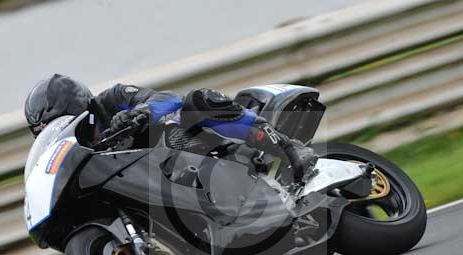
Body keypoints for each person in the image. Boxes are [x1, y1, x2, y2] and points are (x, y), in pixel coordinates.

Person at [24, 74, 317, 182]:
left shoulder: (113, 99)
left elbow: (167, 99)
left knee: (198, 101)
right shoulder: (83, 152)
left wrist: (139, 114)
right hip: (166, 178)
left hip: (189, 140)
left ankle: (290, 149)